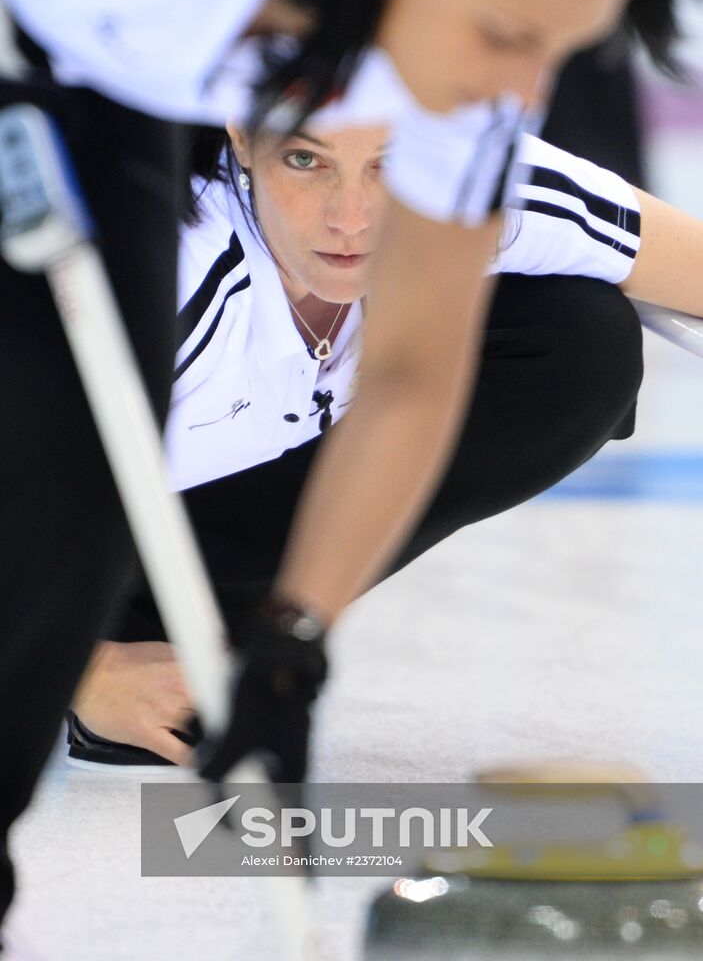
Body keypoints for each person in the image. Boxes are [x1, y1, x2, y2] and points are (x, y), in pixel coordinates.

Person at [0, 0, 694, 948]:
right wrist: (85, 670)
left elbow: (413, 379)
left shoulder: (454, 101)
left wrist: (291, 642)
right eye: (507, 36)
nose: (526, 90)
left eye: (558, 54)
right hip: (69, 87)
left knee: (578, 338)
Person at [66, 115, 703, 771]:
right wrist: (87, 675)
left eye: (389, 164)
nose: (350, 218)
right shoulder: (160, 276)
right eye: (306, 163)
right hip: (56, 541)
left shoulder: (471, 183)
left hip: (194, 521)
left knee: (577, 337)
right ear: (241, 137)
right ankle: (94, 647)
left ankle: (177, 635)